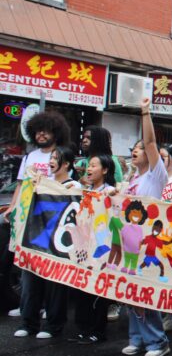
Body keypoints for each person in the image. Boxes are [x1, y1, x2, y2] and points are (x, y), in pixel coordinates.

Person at [120, 98, 171, 356]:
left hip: (148, 243)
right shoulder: (132, 178)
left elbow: (151, 142)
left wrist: (145, 112)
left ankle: (157, 340)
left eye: (140, 149)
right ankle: (137, 338)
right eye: (134, 148)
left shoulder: (155, 175)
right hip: (129, 242)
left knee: (145, 290)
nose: (136, 151)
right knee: (130, 291)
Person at [14, 145, 78, 339]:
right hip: (37, 240)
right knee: (30, 284)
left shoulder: (74, 187)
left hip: (57, 245)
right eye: (51, 157)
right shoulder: (41, 182)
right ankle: (28, 323)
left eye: (56, 157)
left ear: (66, 164)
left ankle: (53, 325)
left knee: (55, 287)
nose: (50, 161)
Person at [69, 154, 116, 345]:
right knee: (82, 290)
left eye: (94, 165)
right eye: (89, 165)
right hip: (84, 247)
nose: (89, 168)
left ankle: (98, 330)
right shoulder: (85, 190)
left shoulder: (110, 191)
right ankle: (84, 328)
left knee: (98, 290)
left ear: (105, 170)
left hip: (102, 249)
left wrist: (113, 193)